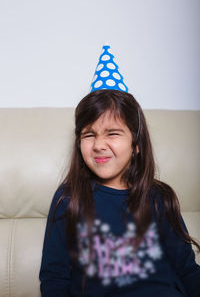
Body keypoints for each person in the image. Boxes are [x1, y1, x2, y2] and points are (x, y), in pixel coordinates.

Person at [39, 46, 200, 297]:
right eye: (89, 134)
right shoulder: (68, 199)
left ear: (136, 144)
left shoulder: (160, 198)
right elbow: (54, 279)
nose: (99, 144)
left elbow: (188, 271)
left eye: (112, 133)